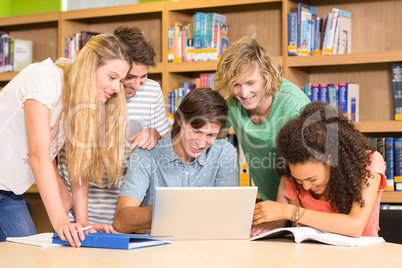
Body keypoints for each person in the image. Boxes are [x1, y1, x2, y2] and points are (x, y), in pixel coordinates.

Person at [0, 33, 132, 246]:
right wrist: (61, 221)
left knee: (26, 258)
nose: (117, 88)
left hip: (9, 193)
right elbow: (39, 154)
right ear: (90, 67)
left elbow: (77, 162)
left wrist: (83, 222)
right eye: (112, 77)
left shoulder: (82, 99)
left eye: (121, 81)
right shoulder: (43, 78)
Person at [57, 26, 170, 226]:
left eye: (143, 78)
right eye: (130, 77)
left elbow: (166, 148)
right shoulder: (80, 88)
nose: (136, 86)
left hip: (129, 216)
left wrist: (155, 134)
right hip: (76, 211)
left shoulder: (152, 91)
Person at [114, 87, 239, 234]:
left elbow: (229, 219)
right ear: (179, 119)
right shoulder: (146, 154)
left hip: (206, 249)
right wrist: (168, 209)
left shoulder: (224, 153)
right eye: (196, 131)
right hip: (156, 251)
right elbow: (121, 222)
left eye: (211, 135)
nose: (201, 143)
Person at [252, 102, 386, 237]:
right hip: (314, 254)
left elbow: (355, 227)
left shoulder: (368, 162)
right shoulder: (294, 170)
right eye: (298, 180)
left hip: (364, 255)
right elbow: (301, 230)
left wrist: (290, 211)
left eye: (312, 179)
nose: (305, 186)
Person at [214, 36, 310, 202]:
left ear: (267, 76)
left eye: (251, 83)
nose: (244, 93)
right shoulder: (230, 99)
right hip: (269, 199)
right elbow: (212, 138)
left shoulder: (294, 106)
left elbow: (296, 169)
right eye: (236, 84)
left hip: (304, 200)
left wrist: (279, 218)